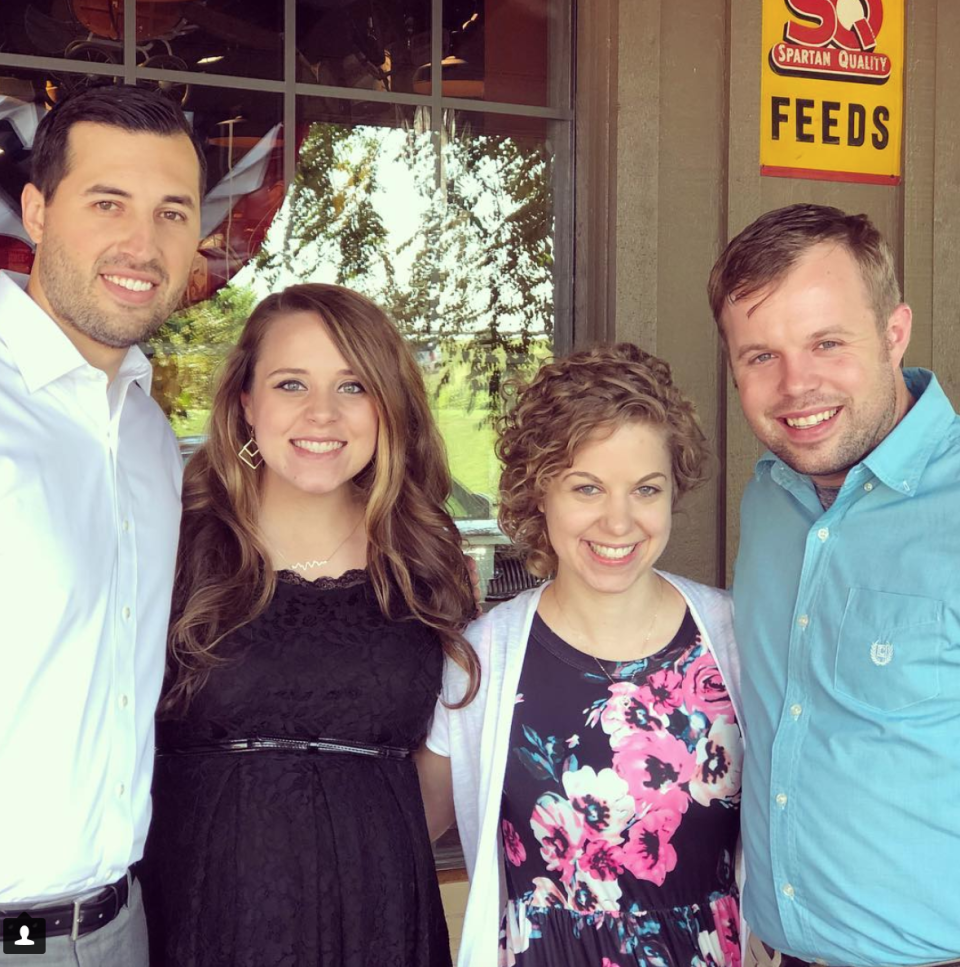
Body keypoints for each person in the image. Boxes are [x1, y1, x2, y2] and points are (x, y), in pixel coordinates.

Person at [138, 282, 478, 967]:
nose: (322, 412)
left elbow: (442, 770)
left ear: (388, 405)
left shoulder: (428, 562)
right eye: (291, 383)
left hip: (381, 910)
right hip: (204, 910)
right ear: (245, 403)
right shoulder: (168, 544)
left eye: (353, 386)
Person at [417, 344, 743, 967]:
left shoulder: (731, 637)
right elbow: (407, 822)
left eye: (645, 489)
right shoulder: (485, 656)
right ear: (540, 492)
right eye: (587, 487)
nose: (618, 522)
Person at [708, 203, 960, 967]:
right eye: (760, 356)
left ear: (893, 333)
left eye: (826, 342)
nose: (796, 385)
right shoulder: (772, 498)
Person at [0, 84, 205, 965]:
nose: (142, 244)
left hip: (119, 924)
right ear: (37, 212)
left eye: (172, 212)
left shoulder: (151, 436)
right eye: (108, 203)